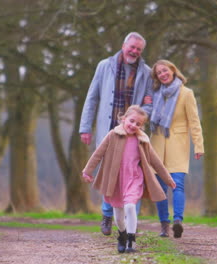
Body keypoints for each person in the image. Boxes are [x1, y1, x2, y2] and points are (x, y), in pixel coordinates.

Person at [79, 32, 153, 236]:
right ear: (123, 45)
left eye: (139, 49)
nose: (135, 51)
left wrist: (147, 112)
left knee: (133, 174)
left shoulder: (146, 72)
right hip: (109, 130)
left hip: (133, 133)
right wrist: (85, 127)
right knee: (109, 172)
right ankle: (107, 215)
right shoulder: (105, 66)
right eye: (132, 47)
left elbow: (149, 103)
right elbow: (92, 97)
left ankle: (131, 223)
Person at [82, 105, 176, 253]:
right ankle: (122, 234)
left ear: (142, 126)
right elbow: (98, 153)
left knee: (130, 207)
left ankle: (131, 241)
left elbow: (155, 160)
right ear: (124, 119)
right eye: (131, 121)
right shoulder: (113, 135)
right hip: (116, 181)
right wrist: (88, 171)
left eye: (138, 124)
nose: (133, 125)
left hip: (134, 178)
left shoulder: (142, 140)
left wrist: (168, 178)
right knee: (119, 217)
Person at [149, 60, 204, 238]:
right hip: (156, 145)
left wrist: (198, 145)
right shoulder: (154, 94)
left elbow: (194, 122)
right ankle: (164, 225)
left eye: (165, 70)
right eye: (159, 73)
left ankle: (177, 221)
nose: (163, 74)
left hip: (178, 144)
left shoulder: (186, 93)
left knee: (177, 184)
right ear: (156, 77)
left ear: (173, 70)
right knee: (159, 188)